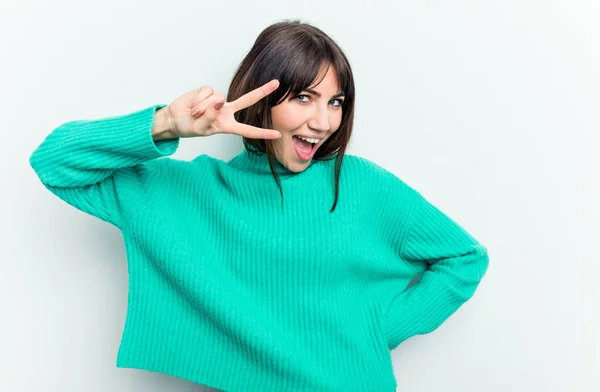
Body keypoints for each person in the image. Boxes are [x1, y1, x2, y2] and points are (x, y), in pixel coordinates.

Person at [29, 19, 489, 392]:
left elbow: (464, 258)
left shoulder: (362, 185)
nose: (324, 121)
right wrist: (168, 123)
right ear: (262, 98)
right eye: (305, 97)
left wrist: (375, 331)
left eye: (336, 102)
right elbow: (54, 163)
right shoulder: (189, 191)